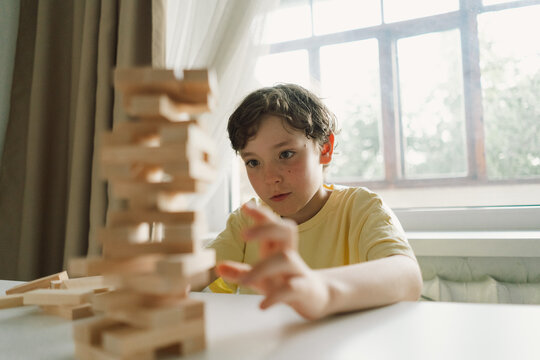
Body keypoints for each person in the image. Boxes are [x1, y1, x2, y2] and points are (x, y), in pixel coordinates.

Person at [206, 83, 422, 320]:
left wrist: (320, 290)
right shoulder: (247, 221)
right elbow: (192, 273)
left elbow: (408, 277)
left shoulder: (361, 207)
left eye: (286, 154)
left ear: (325, 149)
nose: (270, 178)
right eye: (253, 162)